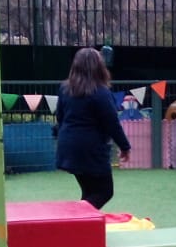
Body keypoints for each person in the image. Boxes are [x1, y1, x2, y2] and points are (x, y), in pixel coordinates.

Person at [54, 47, 132, 209]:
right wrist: (124, 147)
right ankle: (75, 218)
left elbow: (60, 117)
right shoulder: (101, 92)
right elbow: (112, 123)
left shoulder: (65, 89)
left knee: (89, 191)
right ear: (99, 67)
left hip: (68, 145)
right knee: (105, 191)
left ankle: (81, 221)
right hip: (91, 148)